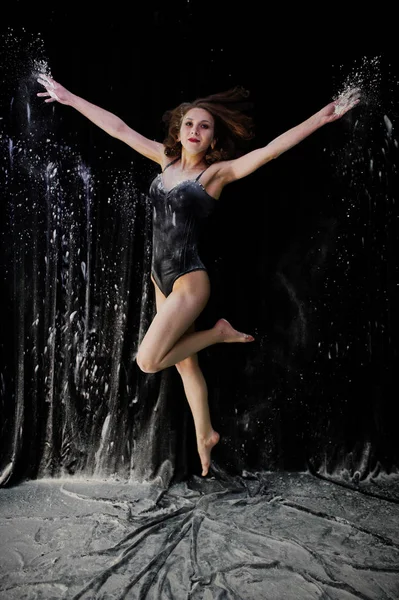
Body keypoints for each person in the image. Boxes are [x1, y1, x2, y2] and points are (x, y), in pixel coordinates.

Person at [37, 74, 360, 476]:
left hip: (190, 280)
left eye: (204, 126)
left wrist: (322, 117)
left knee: (149, 361)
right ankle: (205, 436)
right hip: (160, 279)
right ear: (180, 130)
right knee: (186, 365)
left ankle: (218, 333)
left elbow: (271, 151)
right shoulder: (164, 159)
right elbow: (118, 128)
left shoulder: (216, 175)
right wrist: (68, 98)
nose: (195, 130)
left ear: (213, 138)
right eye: (189, 123)